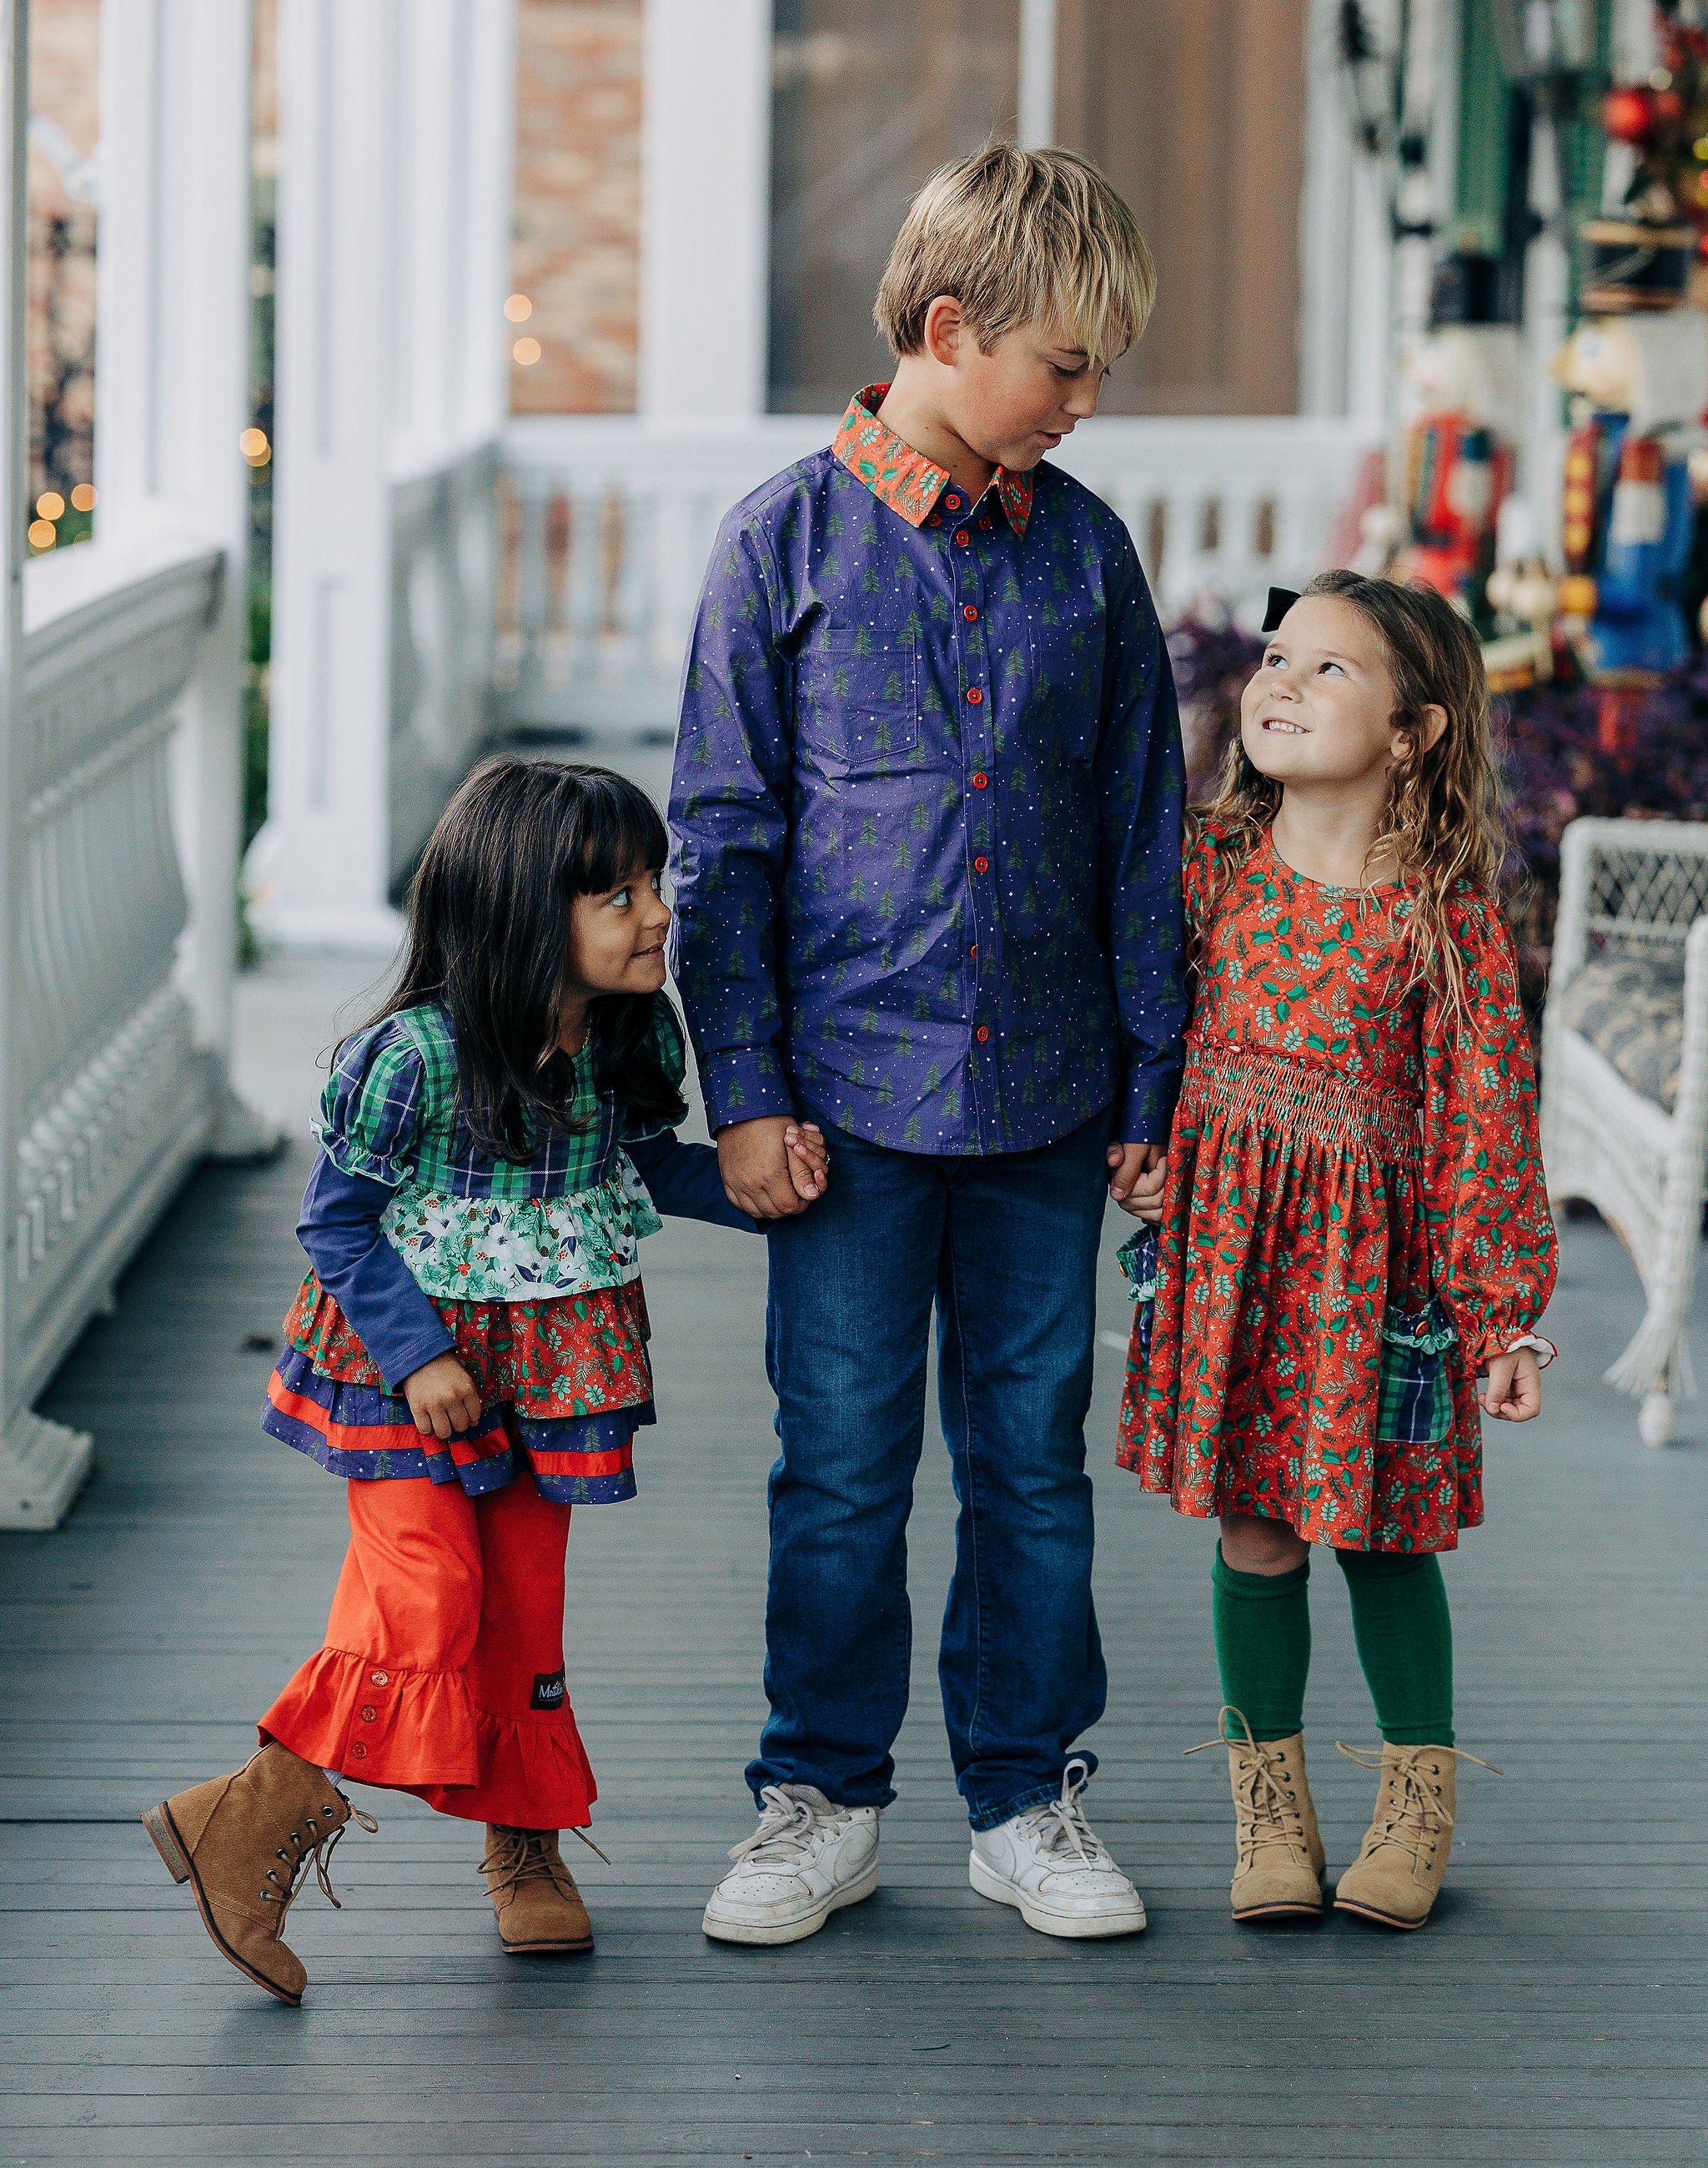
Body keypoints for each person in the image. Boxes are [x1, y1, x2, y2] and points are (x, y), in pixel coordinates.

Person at [669, 143, 1185, 1947]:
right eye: (1066, 364)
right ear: (951, 329)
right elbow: (721, 844)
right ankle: (818, 1794)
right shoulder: (778, 545)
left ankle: (1025, 1797)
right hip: (843, 1113)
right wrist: (745, 1095)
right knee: (840, 1466)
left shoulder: (1090, 556)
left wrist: (1153, 1084)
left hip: (1050, 1102)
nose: (1084, 403)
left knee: (1032, 1461)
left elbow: (1143, 832)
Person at [141, 759, 827, 2004]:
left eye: (654, 884)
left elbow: (637, 1167)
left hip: (551, 1370)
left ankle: (526, 1844)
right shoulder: (415, 1057)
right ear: (522, 912)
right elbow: (335, 1223)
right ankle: (246, 1824)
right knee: (428, 1593)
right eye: (618, 895)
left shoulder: (625, 1035)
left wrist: (760, 1186)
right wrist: (422, 1356)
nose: (657, 914)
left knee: (521, 1602)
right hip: (404, 1369)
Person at [1116, 571, 1557, 1932]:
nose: (1282, 685)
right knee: (1255, 1529)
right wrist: (1138, 1140)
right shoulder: (1204, 867)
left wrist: (1503, 1314)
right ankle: (1269, 1809)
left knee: (1380, 1536)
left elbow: (1485, 1117)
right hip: (1234, 1259)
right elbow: (1139, 1019)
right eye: (1276, 658)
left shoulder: (1443, 915)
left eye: (1329, 669)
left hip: (1377, 1279)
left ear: (1414, 733)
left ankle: (1417, 1803)